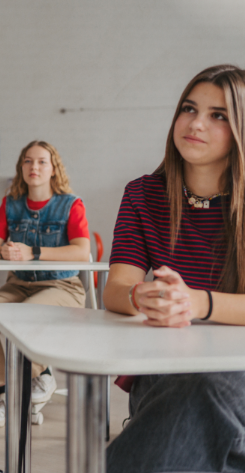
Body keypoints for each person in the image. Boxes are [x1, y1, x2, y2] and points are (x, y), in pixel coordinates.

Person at [104, 65, 245, 473]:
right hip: (165, 364)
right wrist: (139, 296)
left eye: (218, 115)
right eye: (189, 108)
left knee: (204, 393)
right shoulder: (143, 194)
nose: (196, 123)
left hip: (233, 371)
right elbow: (117, 287)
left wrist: (196, 303)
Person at [0, 140, 91, 428]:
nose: (33, 166)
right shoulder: (11, 203)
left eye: (41, 161)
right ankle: (10, 392)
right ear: (21, 167)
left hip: (63, 287)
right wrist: (2, 250)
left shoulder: (70, 204)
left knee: (24, 313)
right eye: (27, 161)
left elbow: (81, 251)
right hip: (20, 285)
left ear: (53, 169)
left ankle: (26, 387)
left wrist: (34, 252)